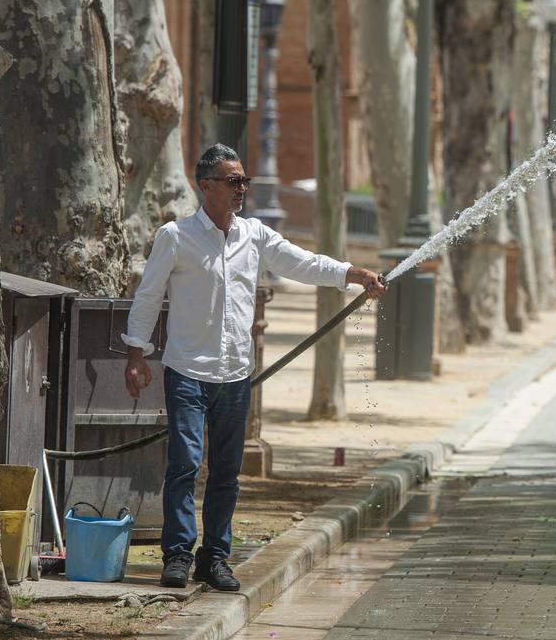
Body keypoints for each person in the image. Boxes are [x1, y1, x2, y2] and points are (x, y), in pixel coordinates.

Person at [122, 144, 387, 591]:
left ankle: (215, 558)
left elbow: (302, 263)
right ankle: (178, 555)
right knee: (185, 463)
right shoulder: (175, 236)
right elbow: (148, 297)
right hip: (187, 369)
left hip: (235, 374)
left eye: (245, 180)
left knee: (227, 471)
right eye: (233, 181)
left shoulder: (254, 235)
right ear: (206, 186)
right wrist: (136, 353)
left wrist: (352, 274)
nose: (242, 188)